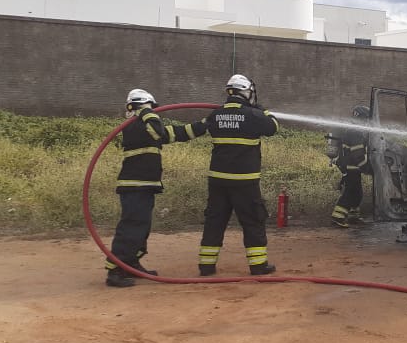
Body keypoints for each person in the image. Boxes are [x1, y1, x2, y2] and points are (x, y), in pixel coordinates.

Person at [106, 88, 200, 288]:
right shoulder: (136, 125)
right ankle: (115, 271)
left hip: (144, 186)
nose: (155, 112)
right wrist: (146, 111)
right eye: (151, 108)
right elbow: (158, 129)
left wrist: (205, 125)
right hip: (135, 186)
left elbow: (174, 133)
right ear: (142, 106)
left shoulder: (147, 127)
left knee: (142, 228)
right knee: (131, 227)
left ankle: (131, 263)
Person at [195, 74, 281, 275]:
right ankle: (258, 265)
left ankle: (206, 266)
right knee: (252, 221)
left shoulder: (216, 115)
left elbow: (202, 127)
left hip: (218, 181)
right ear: (246, 92)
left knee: (214, 222)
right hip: (245, 181)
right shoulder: (253, 115)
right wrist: (262, 110)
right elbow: (273, 127)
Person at [331, 104, 371, 228]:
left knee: (357, 192)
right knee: (350, 192)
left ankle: (353, 216)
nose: (367, 122)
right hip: (351, 167)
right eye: (366, 119)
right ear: (362, 118)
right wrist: (367, 168)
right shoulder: (355, 132)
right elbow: (357, 153)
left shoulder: (353, 130)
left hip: (352, 167)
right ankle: (338, 217)